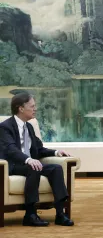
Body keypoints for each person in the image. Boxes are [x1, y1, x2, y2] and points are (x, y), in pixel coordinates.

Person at [0, 93, 74, 226]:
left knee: (56, 169)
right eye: (32, 106)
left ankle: (60, 213)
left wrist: (56, 152)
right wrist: (28, 160)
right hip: (13, 166)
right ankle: (30, 214)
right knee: (33, 167)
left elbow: (39, 149)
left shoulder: (29, 127)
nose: (35, 109)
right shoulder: (5, 127)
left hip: (30, 164)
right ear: (21, 108)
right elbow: (11, 149)